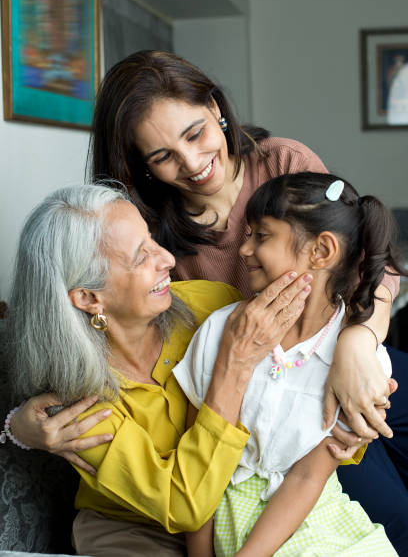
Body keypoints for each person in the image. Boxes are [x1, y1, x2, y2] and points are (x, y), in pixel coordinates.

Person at [8, 51, 407, 550]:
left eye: (195, 134)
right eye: (162, 157)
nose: (192, 164)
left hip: (327, 355)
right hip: (237, 435)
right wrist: (18, 428)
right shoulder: (155, 244)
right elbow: (195, 496)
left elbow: (362, 264)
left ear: (217, 108)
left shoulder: (277, 170)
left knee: (388, 498)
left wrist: (359, 342)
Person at [4, 183, 316, 557]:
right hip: (135, 531)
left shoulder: (211, 304)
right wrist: (234, 364)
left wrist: (353, 355)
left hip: (239, 506)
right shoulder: (77, 402)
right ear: (89, 298)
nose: (168, 258)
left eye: (152, 239)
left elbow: (303, 371)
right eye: (141, 257)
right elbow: (184, 506)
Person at [173, 172, 406, 556]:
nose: (244, 250)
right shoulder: (219, 332)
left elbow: (306, 478)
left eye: (261, 236)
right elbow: (197, 467)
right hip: (234, 524)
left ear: (322, 251)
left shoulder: (363, 365)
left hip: (318, 523)